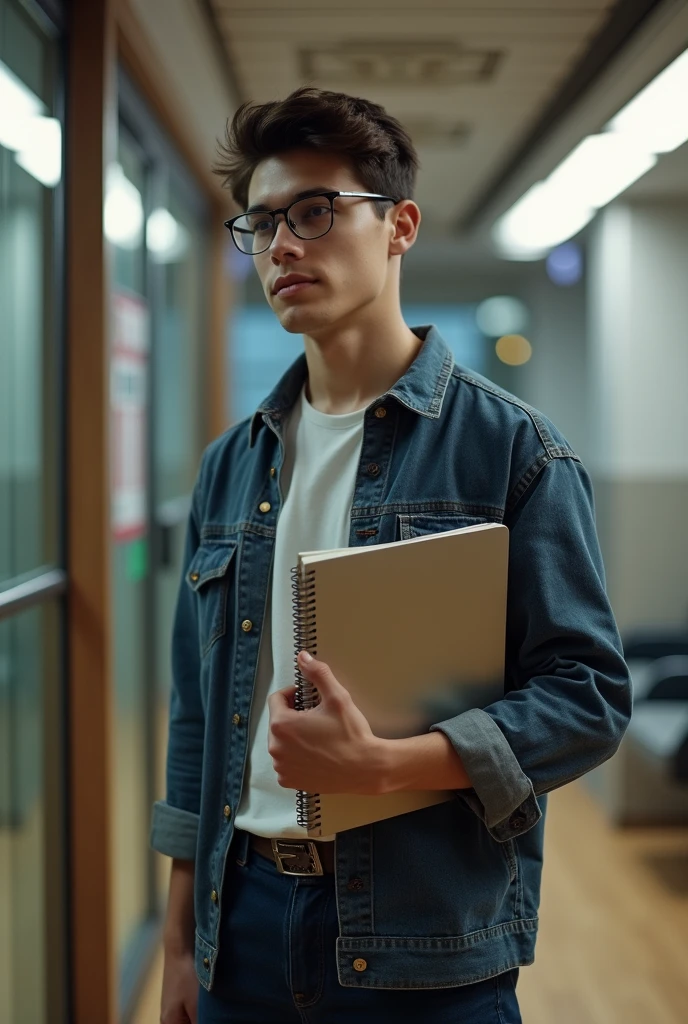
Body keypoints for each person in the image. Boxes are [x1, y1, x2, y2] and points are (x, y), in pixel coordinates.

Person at [151, 87, 632, 1024]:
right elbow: (196, 716)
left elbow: (588, 694)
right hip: (237, 923)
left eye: (316, 211)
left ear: (400, 225)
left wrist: (394, 764)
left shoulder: (514, 451)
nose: (283, 246)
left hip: (423, 939)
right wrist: (180, 941)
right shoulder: (230, 464)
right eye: (261, 222)